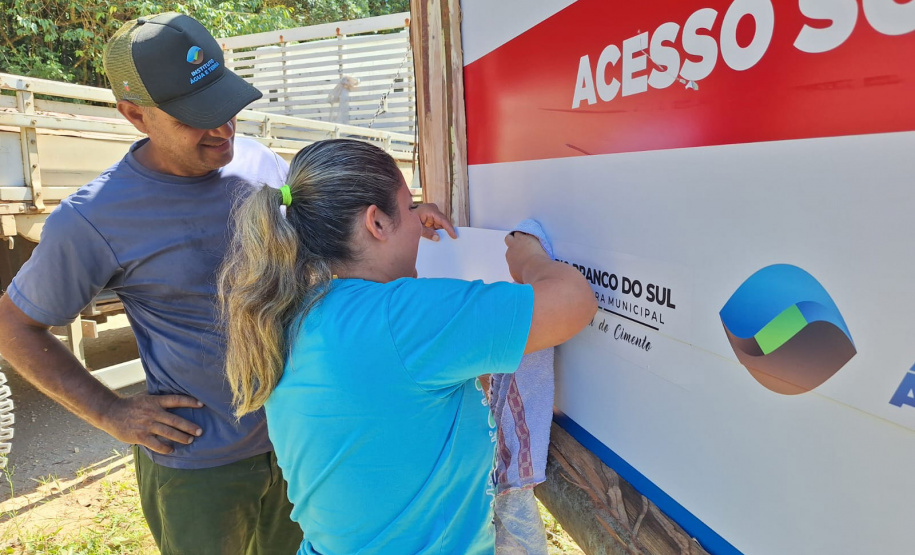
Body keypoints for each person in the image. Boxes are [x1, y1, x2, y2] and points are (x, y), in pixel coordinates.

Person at [0, 13, 453, 554]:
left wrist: (401, 220)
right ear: (134, 115)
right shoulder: (94, 219)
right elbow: (14, 326)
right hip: (202, 469)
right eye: (196, 116)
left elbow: (330, 237)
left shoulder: (260, 162)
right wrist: (110, 412)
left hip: (303, 439)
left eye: (226, 106)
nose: (222, 129)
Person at [218, 138, 597, 554]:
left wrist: (407, 218)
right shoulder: (400, 319)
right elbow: (573, 303)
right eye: (409, 205)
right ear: (375, 223)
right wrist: (527, 258)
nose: (419, 220)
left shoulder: (293, 311)